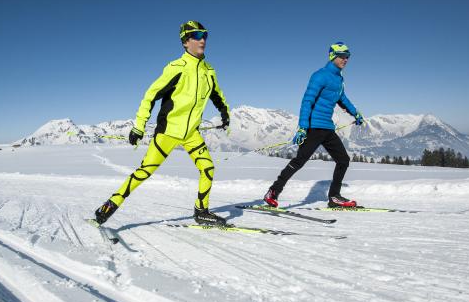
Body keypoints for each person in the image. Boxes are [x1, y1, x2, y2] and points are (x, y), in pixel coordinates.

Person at [93, 21, 230, 226]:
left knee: (208, 169)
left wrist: (225, 113)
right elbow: (150, 95)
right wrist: (139, 126)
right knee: (144, 172)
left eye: (205, 35)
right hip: (168, 132)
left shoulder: (209, 70)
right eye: (196, 35)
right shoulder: (176, 68)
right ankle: (110, 205)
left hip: (191, 133)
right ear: (185, 42)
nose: (202, 39)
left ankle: (201, 211)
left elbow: (216, 95)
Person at [264, 42, 364, 208]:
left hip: (327, 127)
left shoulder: (339, 79)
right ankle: (272, 192)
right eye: (342, 56)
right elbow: (307, 101)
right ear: (332, 56)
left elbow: (342, 99)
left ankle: (334, 197)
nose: (345, 59)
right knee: (299, 161)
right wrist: (303, 127)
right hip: (314, 127)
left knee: (343, 160)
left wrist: (356, 113)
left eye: (347, 56)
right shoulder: (320, 75)